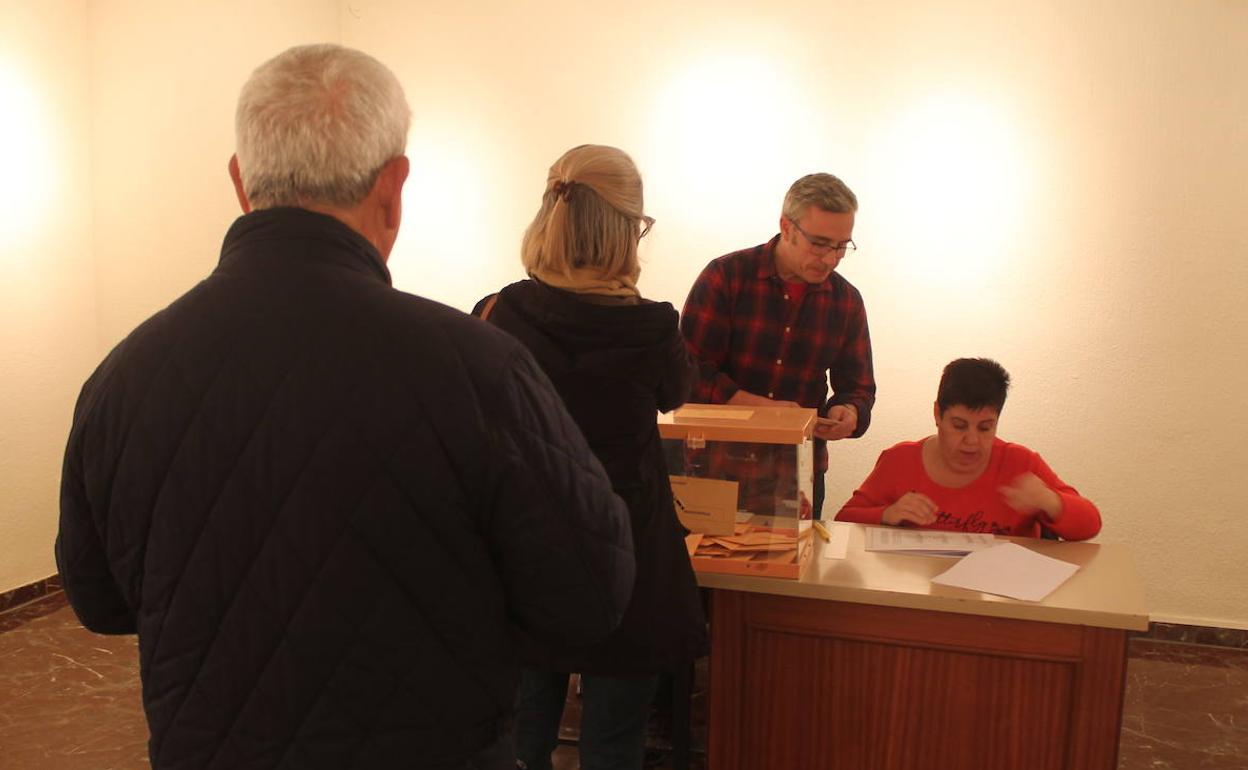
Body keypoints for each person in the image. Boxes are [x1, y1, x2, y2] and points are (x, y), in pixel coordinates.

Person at [55, 45, 636, 770]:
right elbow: (587, 598)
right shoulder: (479, 367)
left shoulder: (123, 377)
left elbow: (99, 601)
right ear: (394, 187)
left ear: (241, 182)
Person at [472, 145, 707, 770]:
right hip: (627, 545)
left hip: (526, 547)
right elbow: (678, 393)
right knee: (612, 745)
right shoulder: (653, 328)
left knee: (522, 739)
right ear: (626, 230)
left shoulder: (498, 314)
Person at [680, 173, 876, 519]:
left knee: (796, 571)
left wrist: (848, 412)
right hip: (717, 467)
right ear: (786, 227)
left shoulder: (846, 301)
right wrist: (763, 410)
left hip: (797, 474)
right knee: (706, 573)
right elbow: (688, 374)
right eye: (820, 243)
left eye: (842, 245)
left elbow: (858, 387)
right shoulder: (726, 277)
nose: (831, 258)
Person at [835, 358, 1102, 539]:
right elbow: (843, 522)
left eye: (985, 428)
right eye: (960, 426)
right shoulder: (899, 460)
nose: (972, 441)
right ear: (938, 414)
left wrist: (1049, 501)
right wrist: (886, 514)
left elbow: (1091, 524)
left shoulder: (1019, 463)